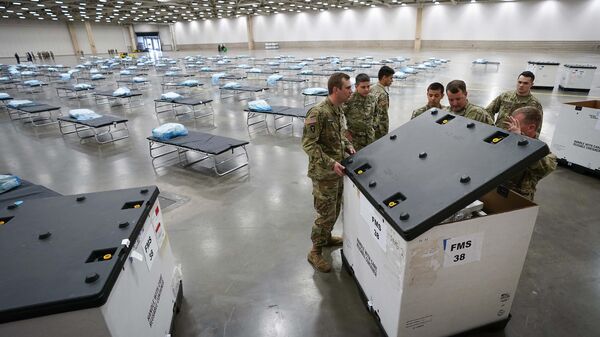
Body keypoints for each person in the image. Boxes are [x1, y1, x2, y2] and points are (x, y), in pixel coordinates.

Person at [302, 72, 355, 273]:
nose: (351, 91)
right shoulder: (318, 112)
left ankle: (327, 237)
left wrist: (348, 146)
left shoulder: (338, 110)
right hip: (324, 174)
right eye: (348, 88)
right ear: (336, 89)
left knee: (334, 211)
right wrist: (331, 162)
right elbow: (308, 144)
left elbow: (340, 136)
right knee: (325, 214)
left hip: (337, 172)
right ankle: (315, 251)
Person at [501, 106, 556, 200]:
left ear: (531, 128)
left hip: (518, 199)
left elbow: (545, 168)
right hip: (497, 191)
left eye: (515, 124)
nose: (510, 128)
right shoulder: (507, 140)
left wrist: (521, 140)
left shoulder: (542, 151)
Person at [342, 73, 377, 151]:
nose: (366, 89)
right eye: (363, 87)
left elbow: (376, 114)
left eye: (368, 86)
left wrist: (373, 127)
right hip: (355, 141)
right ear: (356, 86)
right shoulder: (349, 100)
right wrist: (345, 133)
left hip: (370, 138)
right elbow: (338, 118)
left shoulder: (372, 98)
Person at [371, 65, 395, 139]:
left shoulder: (372, 88)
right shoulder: (382, 94)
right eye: (391, 78)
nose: (392, 80)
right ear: (384, 77)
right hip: (378, 131)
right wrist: (383, 133)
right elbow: (382, 116)